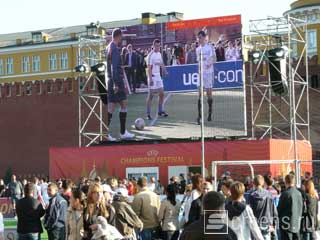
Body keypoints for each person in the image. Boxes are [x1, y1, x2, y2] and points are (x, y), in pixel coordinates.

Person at [105, 28, 135, 141]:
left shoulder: (108, 47)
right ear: (119, 36)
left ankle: (107, 133)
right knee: (124, 104)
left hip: (110, 80)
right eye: (121, 36)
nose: (122, 38)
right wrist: (116, 83)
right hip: (115, 81)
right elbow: (114, 67)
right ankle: (122, 132)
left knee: (112, 106)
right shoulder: (114, 48)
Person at [248, 175, 278, 240]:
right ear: (263, 183)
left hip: (255, 223)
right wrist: (274, 223)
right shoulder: (269, 194)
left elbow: (249, 211)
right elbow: (274, 210)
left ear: (254, 183)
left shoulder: (251, 195)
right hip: (266, 222)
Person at [196, 30, 216, 124]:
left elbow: (214, 59)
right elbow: (198, 62)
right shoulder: (197, 49)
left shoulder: (210, 48)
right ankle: (199, 116)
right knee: (200, 94)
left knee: (209, 95)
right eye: (198, 37)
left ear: (204, 37)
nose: (199, 39)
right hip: (201, 74)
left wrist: (209, 64)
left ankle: (210, 113)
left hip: (208, 73)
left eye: (200, 37)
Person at [146, 39, 169, 120]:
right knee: (151, 95)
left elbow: (161, 64)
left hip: (158, 76)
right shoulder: (150, 55)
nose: (158, 47)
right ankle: (148, 113)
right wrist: (151, 79)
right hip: (152, 77)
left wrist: (165, 71)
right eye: (156, 46)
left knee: (162, 94)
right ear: (153, 46)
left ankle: (160, 111)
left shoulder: (159, 54)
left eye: (159, 46)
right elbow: (149, 68)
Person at [277, 174, 303, 240]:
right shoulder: (299, 193)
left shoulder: (285, 194)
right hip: (296, 223)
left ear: (286, 182)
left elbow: (279, 209)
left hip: (286, 223)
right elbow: (301, 208)